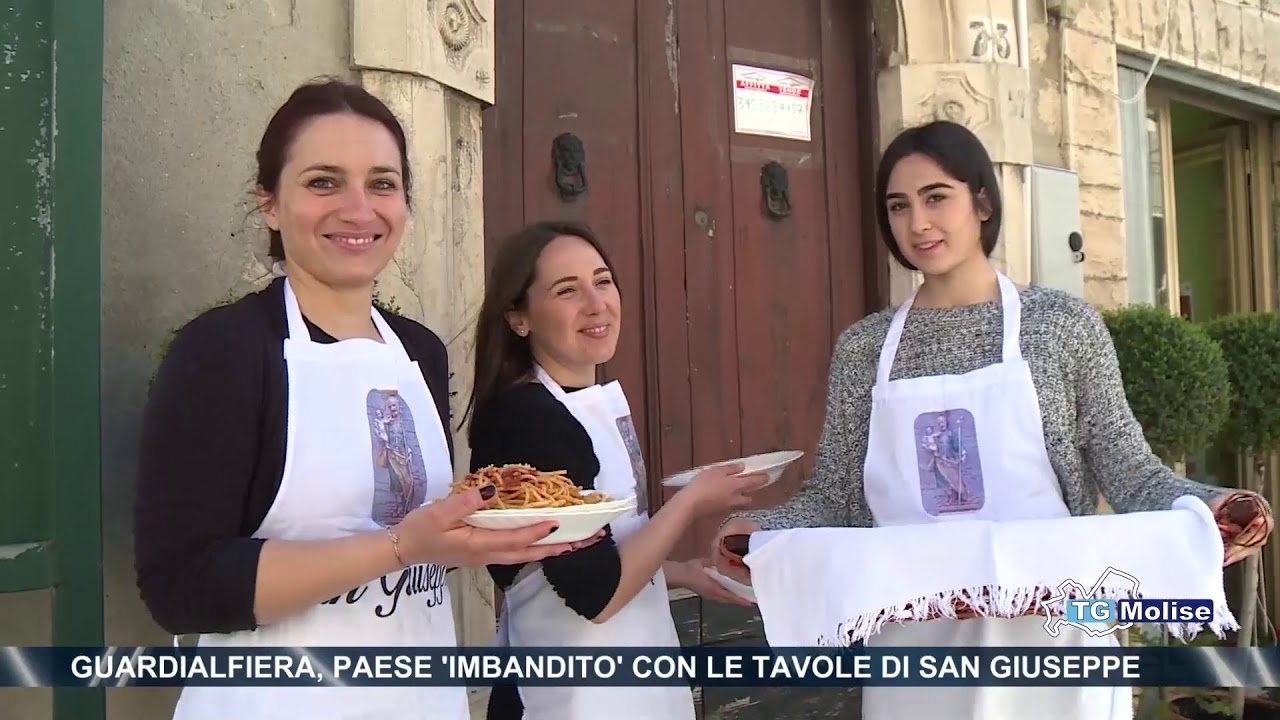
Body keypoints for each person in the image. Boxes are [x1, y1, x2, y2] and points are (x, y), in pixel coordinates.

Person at [711, 120, 1273, 719]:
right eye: (898, 207)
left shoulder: (1061, 325)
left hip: (1056, 640)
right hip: (917, 650)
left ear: (982, 201)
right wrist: (764, 533)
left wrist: (1206, 505)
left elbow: (1128, 468)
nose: (917, 223)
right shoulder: (864, 348)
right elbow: (837, 495)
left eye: (936, 197)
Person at [133, 79, 594, 720]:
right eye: (324, 182)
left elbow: (419, 545)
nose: (359, 209)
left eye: (382, 183)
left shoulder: (419, 353)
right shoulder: (224, 353)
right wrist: (401, 547)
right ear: (268, 203)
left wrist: (477, 534)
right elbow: (181, 587)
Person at [463, 220, 769, 720]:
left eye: (602, 281)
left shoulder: (590, 405)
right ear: (520, 318)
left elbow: (593, 555)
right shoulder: (525, 418)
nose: (596, 303)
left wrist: (680, 573)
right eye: (567, 291)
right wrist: (691, 502)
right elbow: (596, 593)